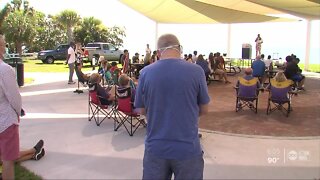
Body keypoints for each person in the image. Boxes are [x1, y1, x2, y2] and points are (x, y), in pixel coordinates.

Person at [135, 34, 210, 179]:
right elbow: (205, 109)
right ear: (180, 49)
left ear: (158, 52)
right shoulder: (196, 71)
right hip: (187, 148)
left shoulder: (145, 73)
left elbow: (141, 109)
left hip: (155, 148)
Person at [0, 35, 45, 180]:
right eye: (4, 44)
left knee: (6, 155)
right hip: (5, 121)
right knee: (8, 159)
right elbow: (15, 98)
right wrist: (18, 112)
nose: (5, 47)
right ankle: (33, 151)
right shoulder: (5, 70)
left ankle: (33, 152)